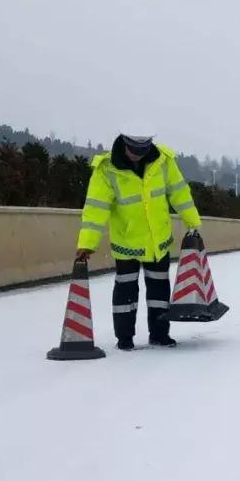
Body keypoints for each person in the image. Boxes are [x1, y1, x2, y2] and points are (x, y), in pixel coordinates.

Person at [75, 129, 202, 349]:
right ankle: (124, 338)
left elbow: (179, 193)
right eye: (134, 149)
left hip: (158, 241)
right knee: (125, 292)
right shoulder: (107, 169)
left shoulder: (163, 161)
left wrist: (193, 222)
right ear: (124, 143)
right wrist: (87, 243)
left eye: (143, 149)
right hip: (127, 242)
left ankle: (160, 334)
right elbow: (95, 208)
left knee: (159, 291)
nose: (138, 154)